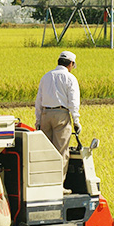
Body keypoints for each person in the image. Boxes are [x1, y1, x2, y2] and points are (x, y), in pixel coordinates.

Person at [35, 50, 81, 184]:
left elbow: (39, 100)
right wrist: (76, 121)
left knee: (46, 152)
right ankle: (57, 186)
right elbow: (73, 102)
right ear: (71, 64)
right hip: (61, 116)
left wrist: (38, 121)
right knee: (61, 152)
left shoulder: (46, 76)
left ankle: (44, 183)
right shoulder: (70, 78)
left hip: (45, 115)